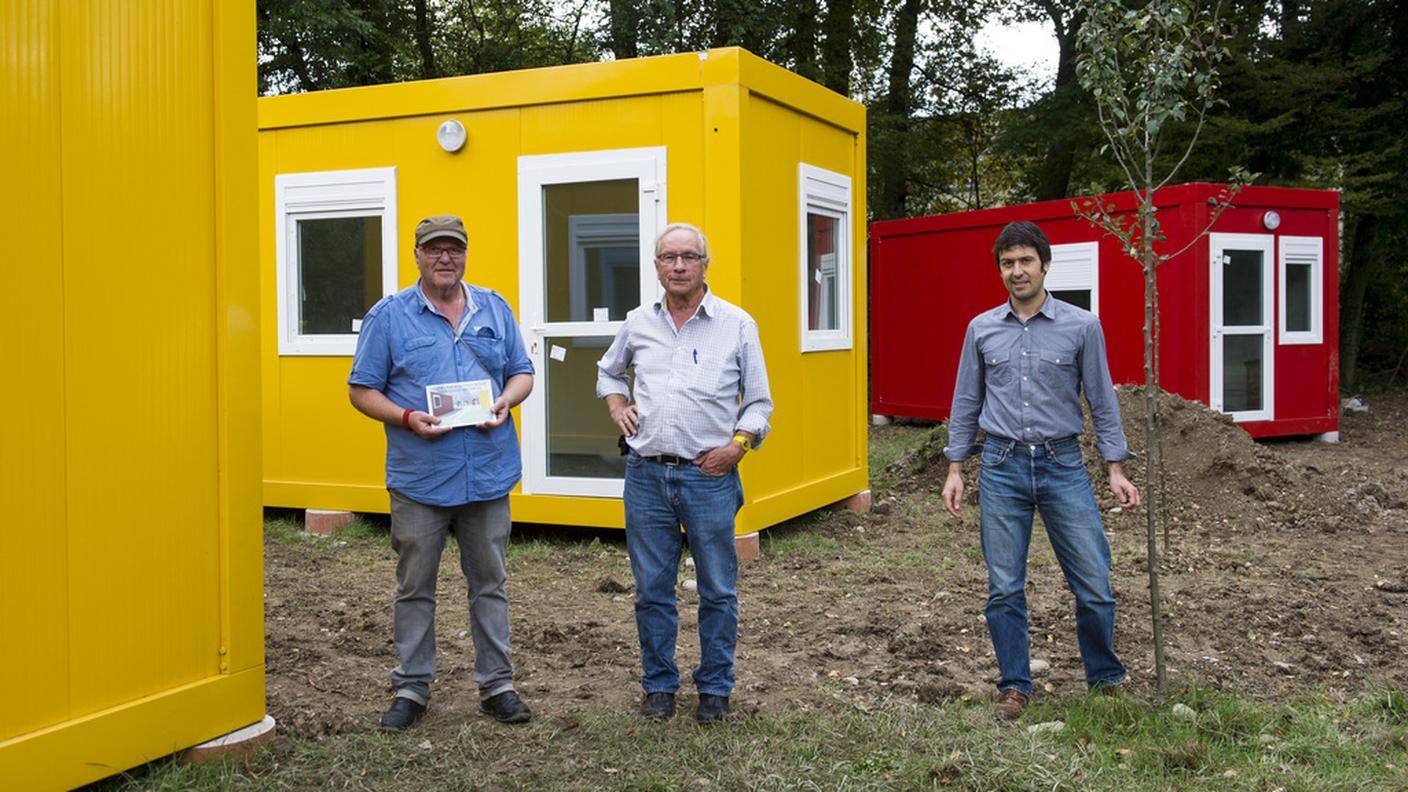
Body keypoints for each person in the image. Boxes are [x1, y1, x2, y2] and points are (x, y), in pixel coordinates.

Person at [941, 220, 1141, 720]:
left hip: (1062, 464)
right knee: (1004, 586)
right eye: (1008, 263)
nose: (1017, 271)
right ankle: (1014, 685)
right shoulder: (981, 329)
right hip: (1002, 466)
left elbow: (1100, 398)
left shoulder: (1081, 326)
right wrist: (955, 466)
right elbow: (967, 400)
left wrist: (1114, 466)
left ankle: (1105, 676)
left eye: (1026, 261)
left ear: (1045, 264)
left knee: (1095, 581)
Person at [348, 214, 535, 732]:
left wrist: (505, 400)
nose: (445, 258)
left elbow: (522, 371)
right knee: (414, 587)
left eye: (454, 248)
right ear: (417, 255)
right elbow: (361, 390)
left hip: (488, 474)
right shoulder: (388, 317)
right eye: (435, 250)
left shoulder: (494, 308)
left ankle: (497, 685)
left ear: (466, 253)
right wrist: (407, 417)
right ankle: (411, 687)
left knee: (490, 584)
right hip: (420, 478)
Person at [596, 222, 774, 723]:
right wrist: (617, 404)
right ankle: (659, 686)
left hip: (708, 477)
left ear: (704, 264)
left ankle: (715, 688)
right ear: (655, 266)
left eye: (688, 257)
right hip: (646, 475)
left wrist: (737, 448)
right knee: (652, 589)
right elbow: (609, 371)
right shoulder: (637, 322)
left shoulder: (736, 324)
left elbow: (759, 404)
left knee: (718, 587)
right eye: (668, 257)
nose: (678, 266)